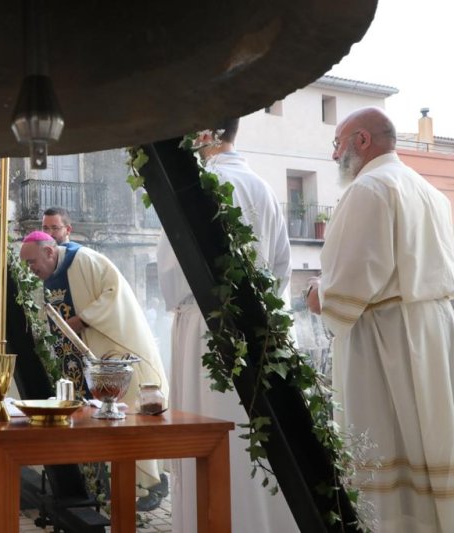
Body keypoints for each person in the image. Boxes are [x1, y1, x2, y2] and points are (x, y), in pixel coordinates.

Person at [306, 107, 454, 532]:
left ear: (363, 141)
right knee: (431, 442)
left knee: (387, 443)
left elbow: (350, 283)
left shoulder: (369, 188)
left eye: (337, 143)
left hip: (386, 342)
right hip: (433, 333)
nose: (335, 155)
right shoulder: (428, 191)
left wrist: (317, 293)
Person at [157, 118, 296, 533]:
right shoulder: (263, 188)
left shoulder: (198, 185)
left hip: (206, 331)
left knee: (211, 436)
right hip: (258, 331)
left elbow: (172, 271)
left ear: (205, 134)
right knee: (254, 439)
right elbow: (282, 268)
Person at [20, 230, 170, 511]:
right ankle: (103, 487)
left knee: (129, 419)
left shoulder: (86, 260)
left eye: (32, 262)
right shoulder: (46, 278)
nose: (30, 269)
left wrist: (84, 319)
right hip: (76, 364)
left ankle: (149, 484)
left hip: (112, 357)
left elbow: (115, 293)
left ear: (49, 252)